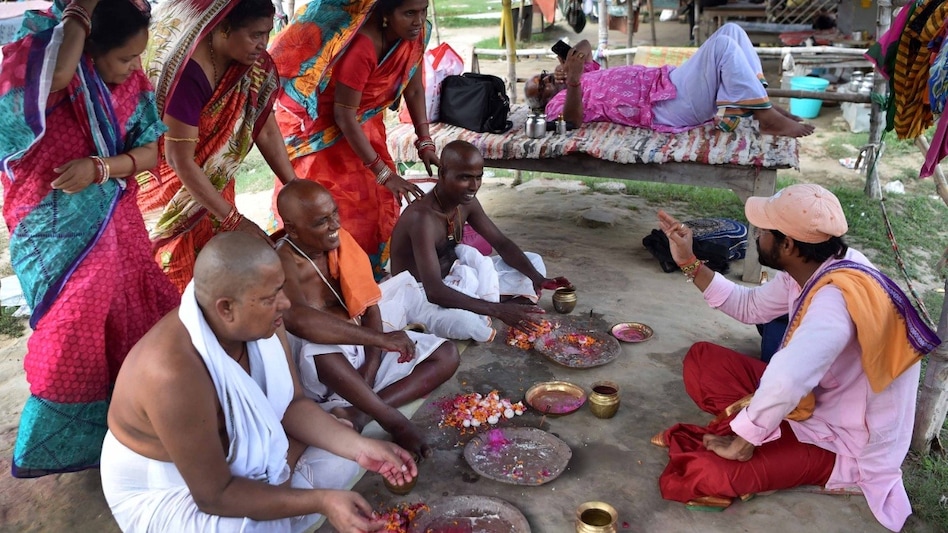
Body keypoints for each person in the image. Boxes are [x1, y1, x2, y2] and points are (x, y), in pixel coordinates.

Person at [652, 184, 940, 531]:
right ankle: (763, 423)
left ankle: (799, 456)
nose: (756, 235)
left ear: (787, 244)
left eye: (763, 231)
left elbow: (788, 378)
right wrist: (687, 260)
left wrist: (743, 442)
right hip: (811, 400)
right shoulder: (811, 268)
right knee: (702, 361)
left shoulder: (835, 301)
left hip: (840, 439)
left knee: (702, 473)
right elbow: (750, 306)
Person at [101, 232, 418, 532]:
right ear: (226, 308)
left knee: (345, 453)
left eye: (281, 288)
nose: (285, 304)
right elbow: (214, 495)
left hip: (229, 467)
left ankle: (281, 470)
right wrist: (323, 501)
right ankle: (283, 471)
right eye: (270, 297)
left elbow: (292, 405)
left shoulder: (262, 321)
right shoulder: (171, 373)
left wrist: (364, 450)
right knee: (255, 526)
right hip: (171, 485)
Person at [0, 0, 179, 478]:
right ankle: (68, 443)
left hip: (118, 221)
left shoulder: (130, 85)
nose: (135, 70)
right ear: (88, 50)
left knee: (135, 312)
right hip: (51, 232)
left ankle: (145, 421)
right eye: (124, 59)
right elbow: (56, 77)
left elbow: (150, 148)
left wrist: (101, 168)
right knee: (73, 324)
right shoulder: (33, 72)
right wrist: (79, 12)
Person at [275, 180, 460, 458]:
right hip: (323, 367)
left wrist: (372, 366)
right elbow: (299, 321)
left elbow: (370, 306)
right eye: (321, 222)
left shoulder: (340, 242)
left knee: (446, 354)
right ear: (292, 228)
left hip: (361, 352)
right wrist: (380, 340)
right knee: (319, 346)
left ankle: (359, 412)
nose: (334, 224)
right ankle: (392, 419)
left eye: (334, 213)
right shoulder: (283, 259)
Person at [137, 0, 300, 292]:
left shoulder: (252, 65)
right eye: (255, 35)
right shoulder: (189, 74)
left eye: (267, 34)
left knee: (223, 280)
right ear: (224, 28)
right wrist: (233, 219)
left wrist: (294, 185)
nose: (264, 44)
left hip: (213, 185)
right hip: (174, 191)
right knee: (179, 285)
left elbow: (262, 123)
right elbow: (179, 159)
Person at [270, 0, 437, 280]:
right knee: (330, 209)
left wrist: (425, 141)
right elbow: (343, 114)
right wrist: (383, 173)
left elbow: (415, 87)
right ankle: (324, 281)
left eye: (424, 11)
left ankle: (362, 278)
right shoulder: (363, 45)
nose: (418, 21)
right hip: (324, 130)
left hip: (364, 126)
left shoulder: (415, 35)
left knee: (374, 203)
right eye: (409, 12)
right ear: (386, 14)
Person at [390, 141, 571, 337]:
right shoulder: (422, 218)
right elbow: (434, 291)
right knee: (466, 324)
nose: (474, 186)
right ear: (442, 174)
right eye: (465, 178)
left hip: (457, 276)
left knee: (534, 262)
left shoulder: (466, 203)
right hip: (421, 293)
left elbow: (501, 243)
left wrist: (539, 279)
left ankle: (490, 305)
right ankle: (496, 307)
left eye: (478, 177)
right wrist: (497, 310)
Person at [524, 23, 815, 138]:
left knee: (732, 32)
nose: (549, 80)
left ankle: (760, 103)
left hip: (670, 82)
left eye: (546, 75)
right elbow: (573, 122)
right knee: (723, 48)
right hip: (665, 105)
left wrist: (569, 61)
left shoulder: (582, 72)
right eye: (543, 85)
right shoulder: (559, 103)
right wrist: (572, 82)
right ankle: (766, 116)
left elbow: (586, 43)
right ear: (544, 100)